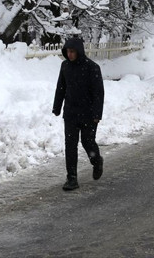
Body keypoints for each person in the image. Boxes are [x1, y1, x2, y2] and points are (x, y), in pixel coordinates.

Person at [52, 36, 105, 191]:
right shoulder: (65, 67)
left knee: (87, 141)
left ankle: (97, 162)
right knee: (70, 145)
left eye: (73, 52)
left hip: (88, 114)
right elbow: (60, 88)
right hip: (70, 113)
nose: (70, 55)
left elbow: (98, 93)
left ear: (79, 52)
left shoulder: (92, 68)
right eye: (68, 51)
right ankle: (72, 178)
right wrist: (57, 107)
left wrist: (97, 114)